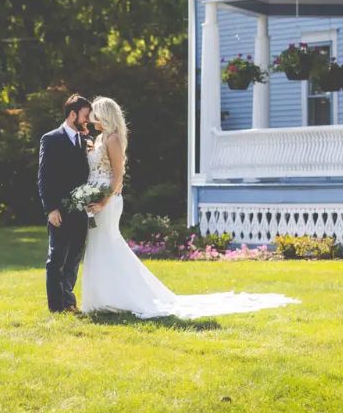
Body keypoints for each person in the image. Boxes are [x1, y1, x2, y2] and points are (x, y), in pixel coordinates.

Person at [77, 96, 298, 319]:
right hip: (96, 196)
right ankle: (103, 297)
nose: (92, 118)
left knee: (108, 242)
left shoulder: (113, 139)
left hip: (107, 199)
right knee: (98, 243)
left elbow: (118, 174)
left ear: (104, 114)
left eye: (95, 113)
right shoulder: (98, 138)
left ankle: (123, 295)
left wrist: (104, 199)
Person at [36, 94, 94, 313]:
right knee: (57, 257)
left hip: (80, 210)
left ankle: (69, 302)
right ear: (73, 115)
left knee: (74, 257)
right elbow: (44, 177)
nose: (87, 120)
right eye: (85, 116)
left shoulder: (84, 140)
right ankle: (56, 307)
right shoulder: (50, 139)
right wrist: (50, 208)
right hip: (59, 209)